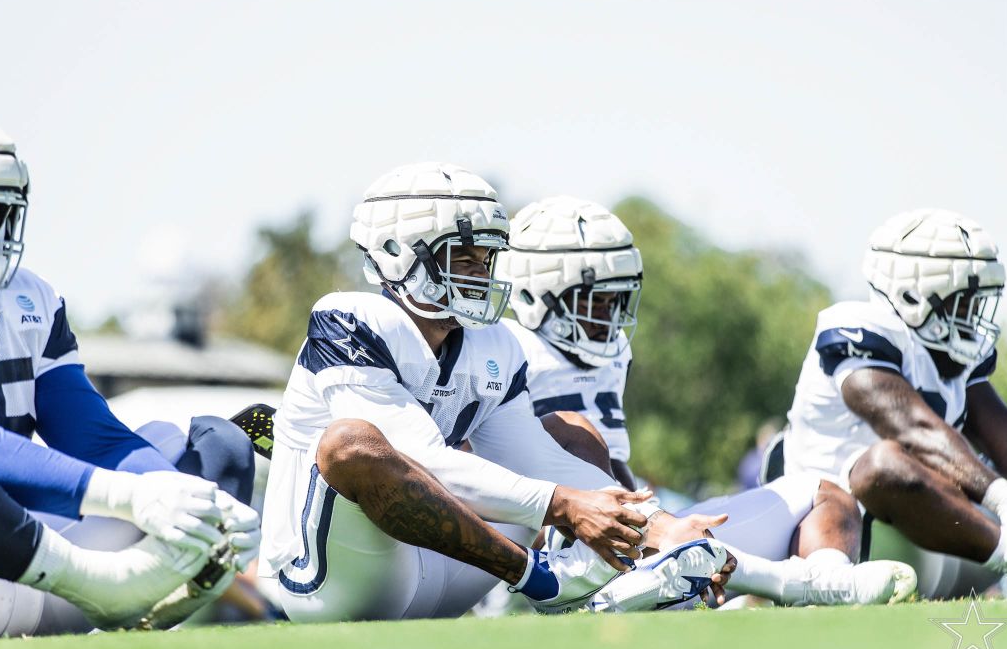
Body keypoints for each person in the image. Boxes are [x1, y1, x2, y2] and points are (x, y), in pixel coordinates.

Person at [256, 163, 736, 622]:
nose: (481, 272)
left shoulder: (497, 343)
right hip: (336, 581)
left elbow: (537, 460)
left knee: (567, 432)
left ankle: (608, 578)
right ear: (396, 253)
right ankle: (545, 580)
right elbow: (419, 457)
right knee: (350, 442)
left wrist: (660, 525)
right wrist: (563, 504)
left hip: (445, 566)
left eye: (487, 257)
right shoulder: (348, 319)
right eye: (461, 256)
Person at [497, 196, 916, 607]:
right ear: (538, 294)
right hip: (560, 546)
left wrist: (660, 522)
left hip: (639, 535)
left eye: (616, 299)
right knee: (576, 436)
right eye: (594, 301)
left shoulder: (613, 351)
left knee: (826, 493)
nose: (609, 317)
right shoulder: (507, 349)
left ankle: (826, 583)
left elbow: (613, 467)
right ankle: (787, 582)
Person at [0, 107, 260, 634]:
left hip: (31, 558)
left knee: (209, 450)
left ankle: (151, 595)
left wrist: (183, 502)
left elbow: (88, 435)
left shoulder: (31, 300)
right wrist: (132, 497)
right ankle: (105, 588)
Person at [777, 208, 1007, 590]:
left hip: (939, 539)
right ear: (915, 293)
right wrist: (1005, 499)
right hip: (835, 534)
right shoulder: (861, 326)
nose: (973, 314)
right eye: (963, 301)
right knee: (882, 464)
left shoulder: (953, 355)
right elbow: (910, 427)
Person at [0, 385, 259, 635]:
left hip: (33, 578)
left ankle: (152, 603)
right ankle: (102, 587)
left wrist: (196, 507)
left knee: (216, 443)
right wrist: (128, 494)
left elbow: (85, 429)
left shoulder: (35, 310)